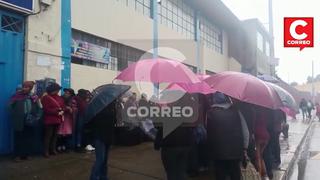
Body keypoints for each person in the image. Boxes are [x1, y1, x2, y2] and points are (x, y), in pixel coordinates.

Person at [206, 92, 249, 180]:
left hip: (218, 152)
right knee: (235, 174)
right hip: (235, 151)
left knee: (220, 174)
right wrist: (245, 147)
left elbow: (207, 132)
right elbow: (245, 131)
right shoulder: (236, 111)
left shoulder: (210, 113)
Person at [9, 81, 42, 162]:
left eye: (27, 87)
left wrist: (37, 117)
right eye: (24, 86)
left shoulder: (34, 96)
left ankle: (27, 154)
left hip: (30, 120)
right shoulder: (16, 96)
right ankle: (17, 156)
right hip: (19, 121)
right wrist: (15, 114)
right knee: (19, 138)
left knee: (29, 138)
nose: (25, 88)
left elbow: (40, 107)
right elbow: (10, 106)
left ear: (30, 88)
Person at [88, 100, 117, 180]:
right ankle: (95, 177)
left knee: (103, 159)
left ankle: (102, 176)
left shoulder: (100, 108)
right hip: (101, 136)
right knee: (101, 159)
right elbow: (114, 121)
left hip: (104, 136)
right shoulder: (108, 109)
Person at [41, 83, 65, 158]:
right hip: (49, 119)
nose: (58, 91)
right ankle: (46, 151)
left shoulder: (59, 98)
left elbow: (63, 106)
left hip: (58, 119)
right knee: (48, 136)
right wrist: (57, 111)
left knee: (55, 136)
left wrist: (63, 110)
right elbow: (46, 109)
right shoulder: (46, 98)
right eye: (57, 90)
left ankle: (53, 149)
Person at [57, 88, 77, 152]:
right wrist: (65, 108)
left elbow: (75, 109)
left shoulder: (72, 100)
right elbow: (58, 106)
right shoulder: (60, 99)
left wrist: (71, 108)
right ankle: (59, 146)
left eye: (68, 93)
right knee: (60, 133)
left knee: (67, 133)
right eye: (65, 92)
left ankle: (64, 146)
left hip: (68, 119)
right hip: (61, 118)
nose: (66, 94)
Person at [254, 106, 271, 178]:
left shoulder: (255, 113)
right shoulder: (265, 112)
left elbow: (253, 125)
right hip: (266, 136)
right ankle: (265, 173)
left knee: (258, 157)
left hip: (259, 136)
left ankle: (260, 175)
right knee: (261, 156)